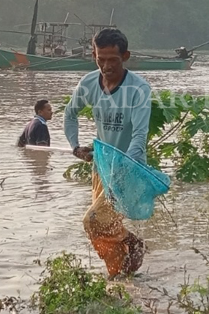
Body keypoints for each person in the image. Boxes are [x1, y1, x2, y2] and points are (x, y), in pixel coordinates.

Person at [64, 28, 152, 278]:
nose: (106, 66)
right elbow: (70, 114)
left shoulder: (138, 89)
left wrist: (123, 169)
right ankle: (122, 272)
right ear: (94, 55)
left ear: (125, 56)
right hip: (101, 166)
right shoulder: (89, 83)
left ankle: (124, 259)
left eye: (112, 60)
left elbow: (139, 136)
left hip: (128, 166)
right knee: (103, 225)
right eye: (100, 59)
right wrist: (75, 146)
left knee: (92, 220)